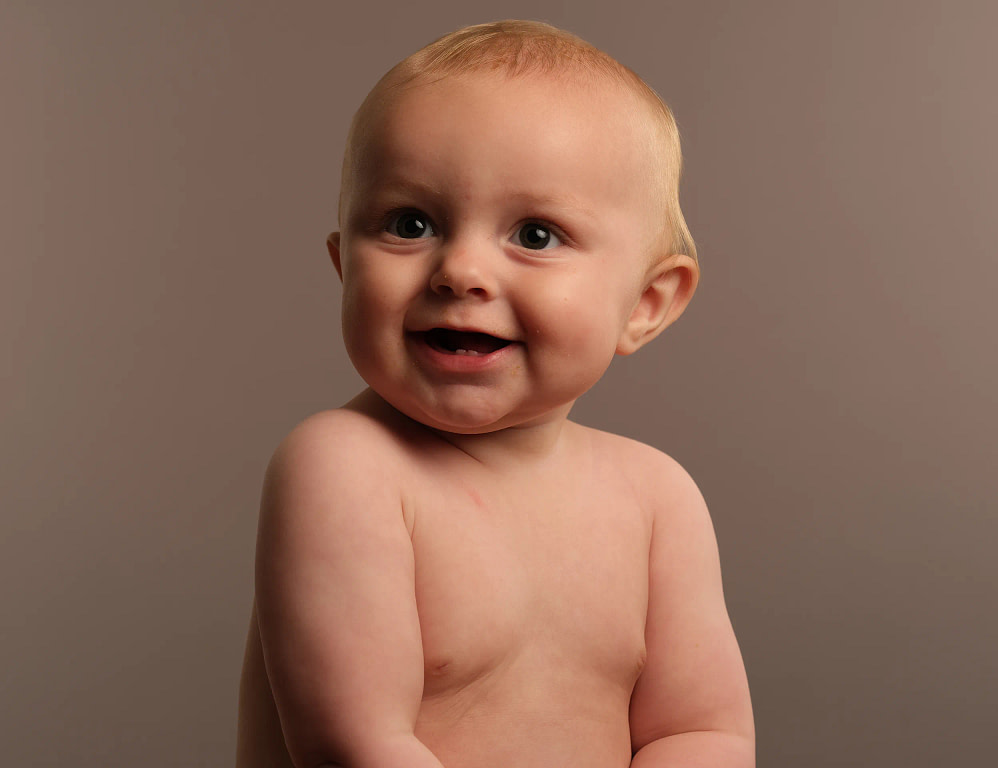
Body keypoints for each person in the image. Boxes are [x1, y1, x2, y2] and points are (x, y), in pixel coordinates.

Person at [236, 19, 754, 768]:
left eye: (536, 235)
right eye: (410, 224)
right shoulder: (344, 470)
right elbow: (354, 744)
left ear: (646, 303)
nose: (461, 271)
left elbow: (702, 732)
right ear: (345, 264)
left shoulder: (657, 501)